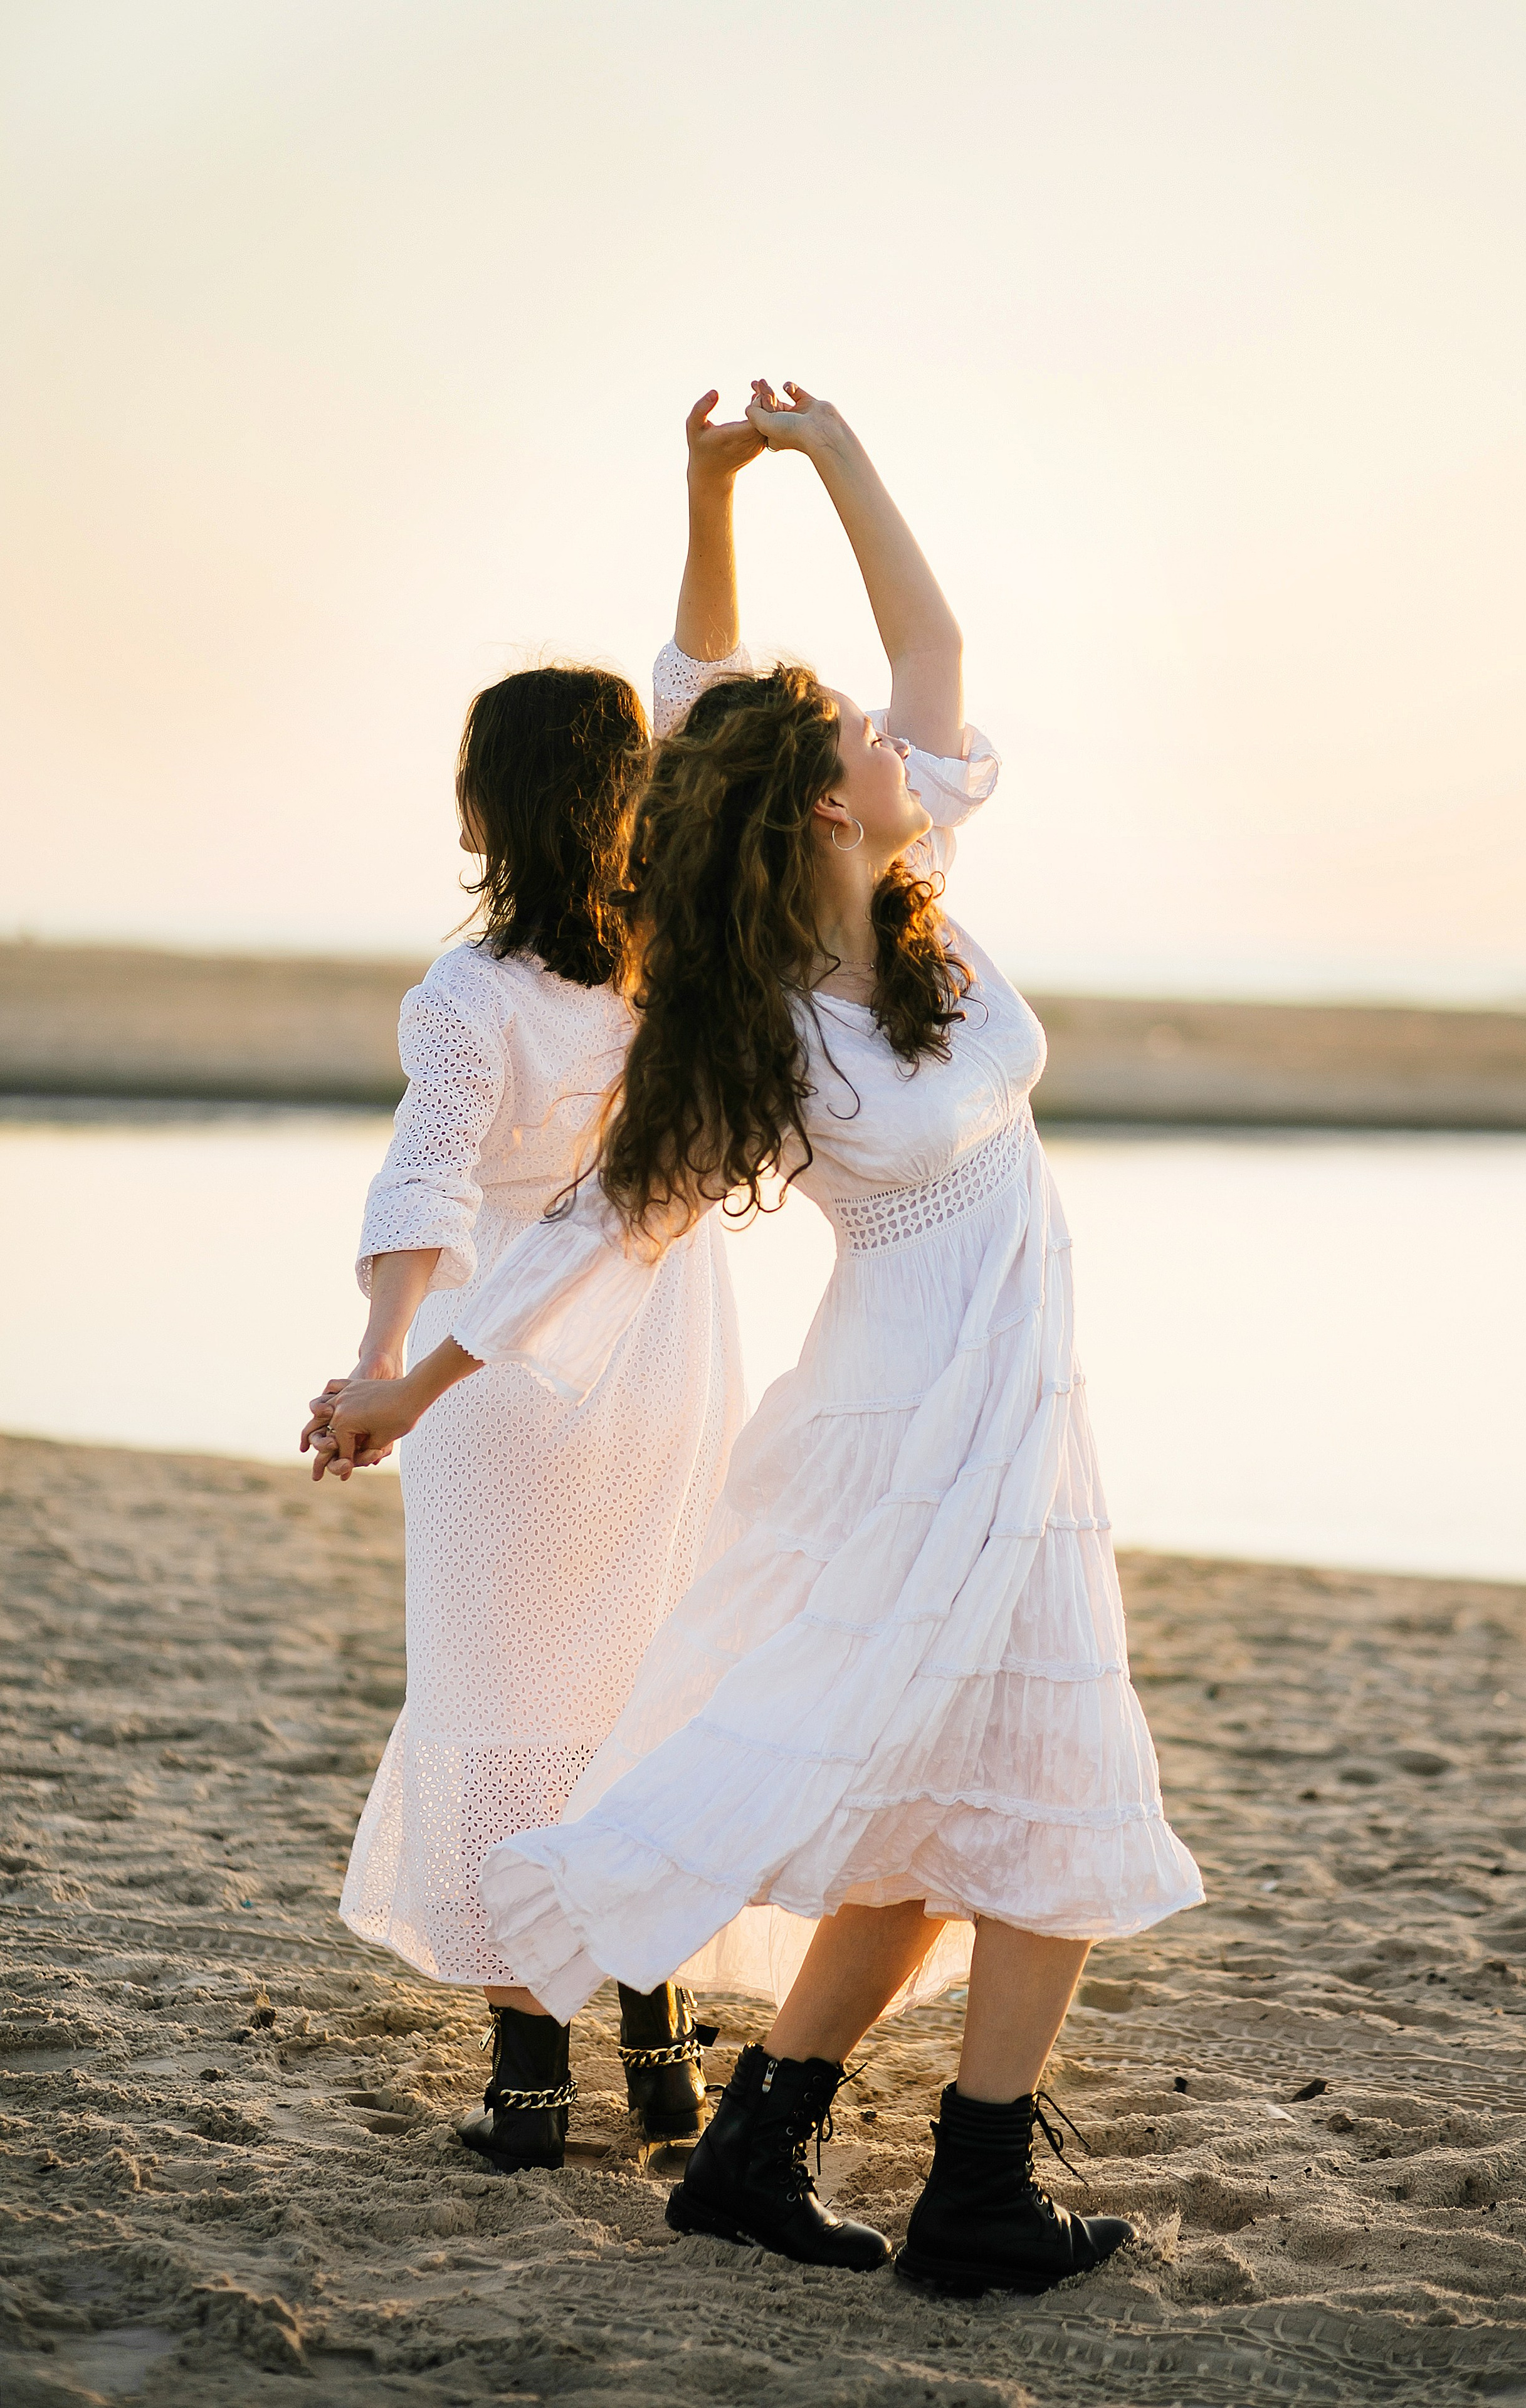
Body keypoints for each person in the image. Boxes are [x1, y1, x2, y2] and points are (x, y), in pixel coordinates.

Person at [320, 381, 1203, 2297]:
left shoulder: (928, 904)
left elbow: (936, 641)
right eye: (868, 741)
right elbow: (575, 1245)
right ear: (823, 794)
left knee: (952, 1794)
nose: (905, 739)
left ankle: (756, 2144)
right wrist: (405, 1382)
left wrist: (821, 456)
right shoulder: (751, 1036)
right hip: (909, 1425)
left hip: (1020, 1406)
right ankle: (969, 2194)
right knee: (1038, 1797)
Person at [304, 393, 764, 2173]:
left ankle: (529, 2062)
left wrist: (381, 1358)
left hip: (508, 1381)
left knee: (508, 1695)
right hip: (665, 1362)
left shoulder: (471, 989)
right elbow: (707, 686)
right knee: (644, 1680)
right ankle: (651, 2019)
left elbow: (430, 1172)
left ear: (489, 804)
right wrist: (710, 490)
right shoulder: (673, 959)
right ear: (632, 797)